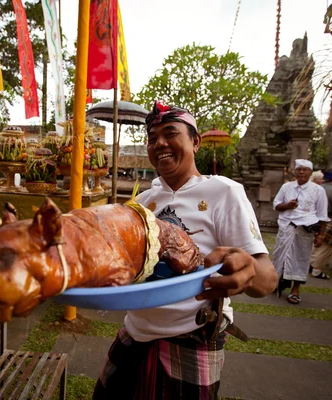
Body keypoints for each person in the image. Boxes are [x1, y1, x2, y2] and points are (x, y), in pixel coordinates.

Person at [92, 101, 277, 399]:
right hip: (134, 332)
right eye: (152, 139)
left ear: (195, 141)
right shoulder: (143, 202)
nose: (160, 143)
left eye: (170, 133)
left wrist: (248, 270)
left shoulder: (224, 192)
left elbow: (267, 280)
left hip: (194, 337)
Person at [272, 159, 330, 304]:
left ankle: (295, 290)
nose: (302, 172)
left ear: (310, 172)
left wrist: (321, 235)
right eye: (299, 169)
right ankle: (275, 283)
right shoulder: (286, 187)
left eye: (305, 169)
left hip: (304, 231)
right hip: (286, 228)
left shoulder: (318, 190)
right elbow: (276, 205)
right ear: (295, 172)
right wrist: (287, 205)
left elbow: (322, 215)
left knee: (300, 259)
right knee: (280, 256)